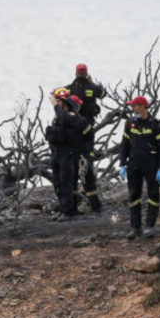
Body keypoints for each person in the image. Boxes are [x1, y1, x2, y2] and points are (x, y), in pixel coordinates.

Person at [118, 95, 160, 239]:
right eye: (132, 106)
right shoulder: (130, 123)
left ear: (143, 106)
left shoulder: (155, 124)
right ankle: (135, 227)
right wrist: (122, 164)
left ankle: (149, 226)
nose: (132, 109)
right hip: (133, 164)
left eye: (134, 106)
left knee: (153, 195)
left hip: (151, 164)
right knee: (134, 195)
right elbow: (124, 145)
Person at [67, 64, 105, 212]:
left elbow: (58, 94)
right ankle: (95, 205)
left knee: (74, 168)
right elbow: (102, 94)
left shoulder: (70, 88)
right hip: (87, 130)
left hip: (74, 132)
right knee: (87, 167)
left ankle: (72, 205)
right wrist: (92, 83)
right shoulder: (92, 88)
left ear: (75, 73)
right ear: (87, 73)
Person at [46, 88, 87, 219]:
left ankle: (68, 211)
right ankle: (64, 208)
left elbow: (64, 126)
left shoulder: (72, 116)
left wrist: (56, 107)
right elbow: (53, 133)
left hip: (67, 154)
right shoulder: (61, 117)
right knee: (58, 183)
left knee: (66, 183)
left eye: (58, 102)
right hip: (57, 154)